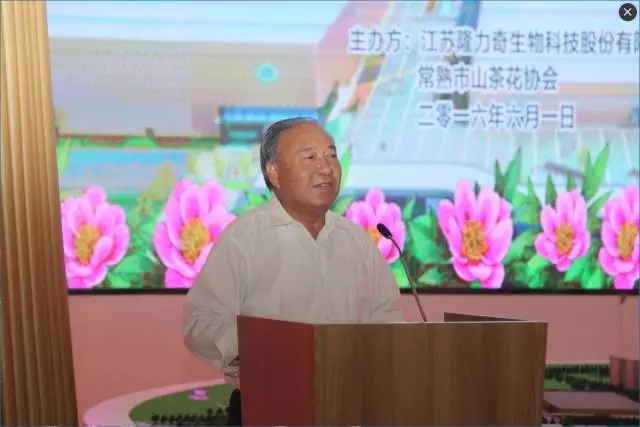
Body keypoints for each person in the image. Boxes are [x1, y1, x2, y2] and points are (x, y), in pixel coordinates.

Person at [183, 118, 403, 426]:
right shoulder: (244, 238)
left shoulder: (357, 241)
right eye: (309, 157)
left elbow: (386, 318)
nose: (326, 168)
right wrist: (258, 347)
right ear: (274, 173)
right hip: (267, 405)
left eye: (331, 156)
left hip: (348, 405)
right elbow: (201, 323)